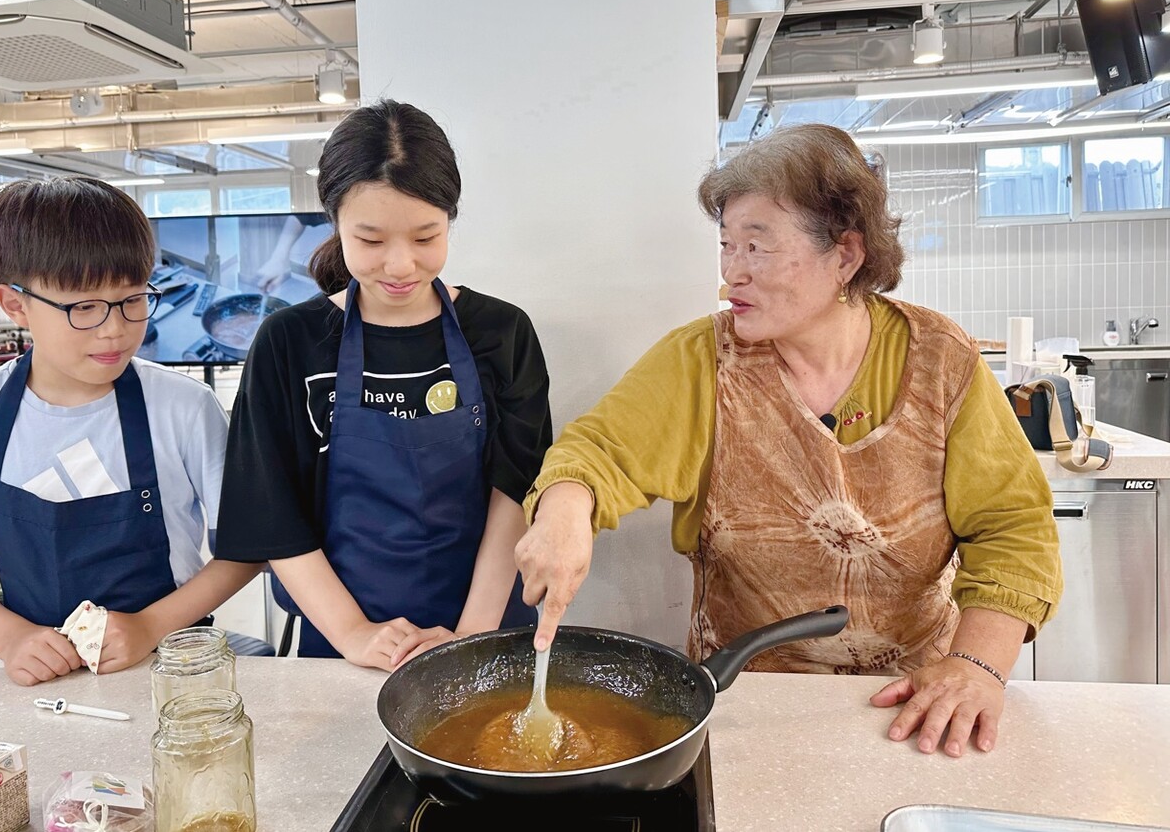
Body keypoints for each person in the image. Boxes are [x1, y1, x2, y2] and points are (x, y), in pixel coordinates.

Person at [514, 123, 1062, 758]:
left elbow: (1012, 525)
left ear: (845, 256)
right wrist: (564, 509)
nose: (730, 276)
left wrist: (979, 666)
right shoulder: (703, 361)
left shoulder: (941, 360)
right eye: (726, 246)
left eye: (757, 248)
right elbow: (598, 453)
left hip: (917, 701)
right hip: (750, 702)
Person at [215, 99, 553, 669]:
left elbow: (516, 489)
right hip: (341, 643)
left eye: (426, 238)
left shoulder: (501, 331)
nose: (400, 266)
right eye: (370, 241)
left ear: (450, 219)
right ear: (335, 224)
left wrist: (471, 635)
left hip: (488, 631)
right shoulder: (288, 343)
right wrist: (353, 633)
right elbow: (272, 512)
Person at [0, 178, 265, 685]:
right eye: (84, 308)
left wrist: (148, 626)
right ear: (14, 304)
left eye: (132, 300)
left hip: (174, 669)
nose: (114, 329)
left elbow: (243, 551)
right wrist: (10, 637)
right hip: (38, 677)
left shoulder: (185, 407)